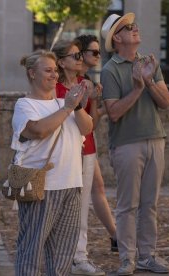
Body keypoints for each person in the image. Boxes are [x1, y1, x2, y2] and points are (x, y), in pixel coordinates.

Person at [100, 13, 169, 275]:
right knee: (127, 205)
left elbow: (166, 102)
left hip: (155, 139)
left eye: (134, 26)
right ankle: (126, 260)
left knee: (149, 204)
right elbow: (114, 112)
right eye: (128, 28)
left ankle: (147, 256)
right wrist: (138, 87)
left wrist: (150, 81)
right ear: (117, 38)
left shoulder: (150, 62)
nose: (135, 29)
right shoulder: (109, 70)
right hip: (126, 144)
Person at [13, 49, 93, 276]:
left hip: (72, 184)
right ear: (32, 74)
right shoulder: (24, 105)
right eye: (48, 70)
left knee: (63, 254)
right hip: (41, 186)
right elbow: (38, 130)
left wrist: (76, 106)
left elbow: (87, 128)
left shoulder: (64, 102)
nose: (54, 75)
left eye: (55, 70)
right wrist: (68, 107)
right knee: (32, 249)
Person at [52, 39, 105, 276]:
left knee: (82, 205)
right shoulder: (53, 87)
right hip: (62, 152)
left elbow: (92, 123)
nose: (80, 59)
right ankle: (58, 254)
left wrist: (94, 98)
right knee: (58, 205)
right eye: (75, 56)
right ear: (61, 62)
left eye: (80, 55)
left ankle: (79, 256)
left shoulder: (85, 83)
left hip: (86, 149)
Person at [75, 34, 118, 254]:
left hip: (88, 142)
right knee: (81, 198)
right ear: (80, 54)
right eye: (94, 52)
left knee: (98, 189)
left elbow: (92, 122)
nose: (99, 55)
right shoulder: (75, 80)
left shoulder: (88, 80)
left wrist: (99, 104)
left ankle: (115, 235)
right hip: (78, 146)